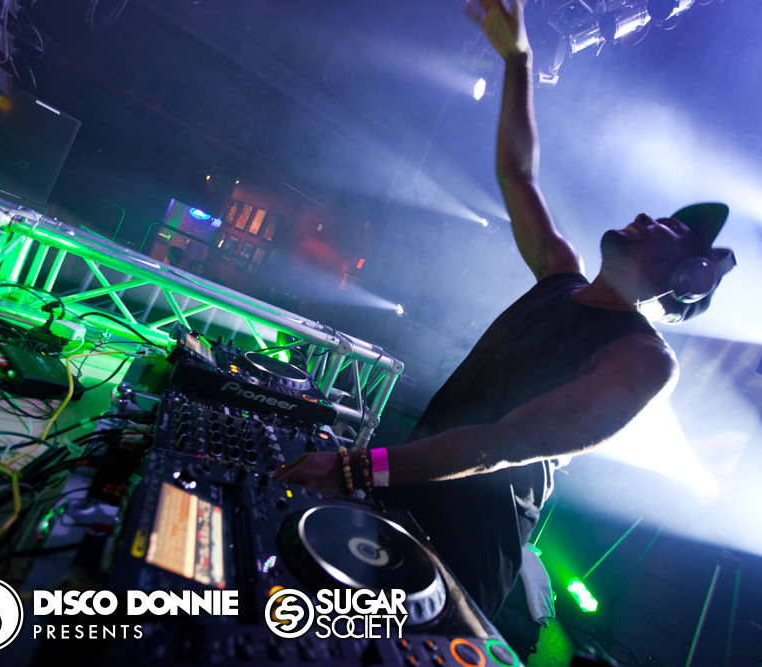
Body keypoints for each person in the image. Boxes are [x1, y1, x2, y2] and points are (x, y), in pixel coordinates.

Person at [277, 0, 736, 620]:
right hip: (399, 503)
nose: (645, 217)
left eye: (670, 229)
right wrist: (518, 59)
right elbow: (518, 174)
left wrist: (358, 470)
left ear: (688, 278)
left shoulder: (643, 360)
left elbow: (500, 443)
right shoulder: (560, 275)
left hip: (459, 560)